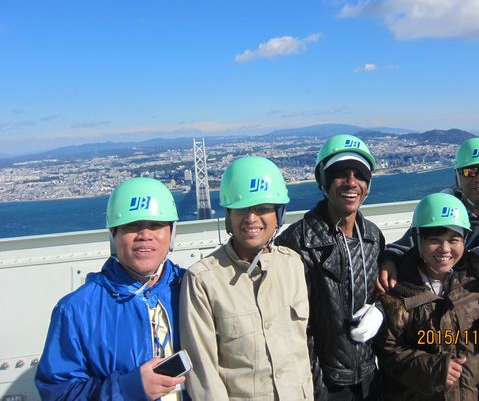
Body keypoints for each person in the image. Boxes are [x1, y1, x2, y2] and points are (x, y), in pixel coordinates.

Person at [35, 177, 187, 401]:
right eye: (131, 225)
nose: (145, 235)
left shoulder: (193, 288)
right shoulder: (76, 310)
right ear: (113, 235)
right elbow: (58, 393)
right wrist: (127, 390)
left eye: (156, 225)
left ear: (171, 234)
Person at [179, 156, 313, 400]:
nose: (251, 218)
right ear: (229, 215)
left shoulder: (292, 264)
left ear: (279, 214)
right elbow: (204, 376)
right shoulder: (203, 280)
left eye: (262, 208)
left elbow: (301, 356)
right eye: (241, 209)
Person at [276, 134, 385, 400]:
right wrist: (317, 390)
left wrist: (380, 309)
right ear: (322, 182)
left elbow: (382, 291)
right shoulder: (296, 243)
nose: (351, 182)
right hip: (324, 384)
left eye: (360, 175)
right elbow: (294, 328)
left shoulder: (373, 237)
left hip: (369, 378)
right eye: (340, 173)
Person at [375, 193, 479, 401]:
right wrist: (433, 368)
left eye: (454, 240)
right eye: (434, 240)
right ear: (417, 239)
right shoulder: (397, 288)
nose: (445, 249)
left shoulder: (477, 278)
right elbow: (387, 350)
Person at [378, 137, 479, 293]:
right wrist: (388, 261)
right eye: (470, 171)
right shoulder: (440, 214)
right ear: (457, 178)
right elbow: (402, 247)